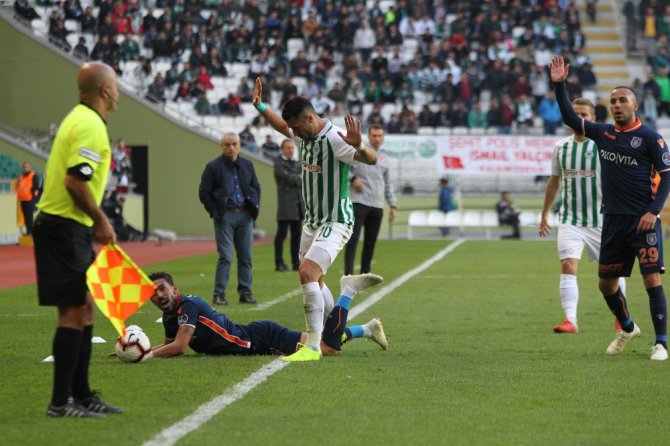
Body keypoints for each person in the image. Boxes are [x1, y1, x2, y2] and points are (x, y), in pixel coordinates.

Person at [550, 56, 670, 360]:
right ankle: (628, 327)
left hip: (644, 221)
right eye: (613, 101)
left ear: (635, 106)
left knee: (651, 279)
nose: (617, 105)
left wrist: (653, 211)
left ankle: (661, 344)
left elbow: (667, 176)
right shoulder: (604, 133)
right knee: (605, 284)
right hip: (613, 221)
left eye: (622, 100)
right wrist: (560, 85)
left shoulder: (650, 138)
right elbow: (569, 117)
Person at [251, 77, 378, 362]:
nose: (292, 132)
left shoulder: (335, 139)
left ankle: (311, 347)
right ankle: (348, 301)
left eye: (297, 126)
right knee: (317, 283)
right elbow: (282, 125)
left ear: (310, 118)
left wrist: (359, 147)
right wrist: (260, 106)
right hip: (312, 223)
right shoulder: (302, 133)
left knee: (307, 272)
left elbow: (372, 159)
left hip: (336, 220)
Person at [33, 62, 123, 418]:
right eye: (115, 85)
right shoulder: (88, 124)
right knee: (72, 311)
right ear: (105, 90)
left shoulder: (81, 119)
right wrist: (101, 220)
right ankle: (60, 403)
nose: (118, 92)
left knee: (85, 306)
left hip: (71, 227)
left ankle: (82, 395)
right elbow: (75, 181)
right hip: (63, 226)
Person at [139, 271, 387, 360]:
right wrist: (140, 349)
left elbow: (180, 347)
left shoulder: (189, 306)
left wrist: (144, 356)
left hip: (261, 337)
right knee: (324, 344)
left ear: (175, 290)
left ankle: (348, 290)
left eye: (163, 288)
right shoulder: (173, 317)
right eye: (153, 292)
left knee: (326, 349)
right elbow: (171, 345)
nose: (159, 294)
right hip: (256, 340)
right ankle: (367, 329)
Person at [539, 97, 626, 334]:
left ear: (593, 119)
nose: (580, 119)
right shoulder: (561, 147)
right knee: (568, 264)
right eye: (576, 114)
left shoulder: (604, 145)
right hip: (571, 220)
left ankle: (621, 317)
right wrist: (544, 213)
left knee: (614, 271)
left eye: (585, 115)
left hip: (602, 220)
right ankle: (570, 320)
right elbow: (554, 181)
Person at [198, 133, 261, 306]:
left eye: (234, 144)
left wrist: (254, 206)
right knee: (226, 256)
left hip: (245, 215)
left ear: (240, 145)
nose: (231, 148)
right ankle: (219, 294)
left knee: (246, 257)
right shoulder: (213, 167)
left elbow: (256, 187)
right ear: (221, 146)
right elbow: (204, 192)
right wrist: (216, 211)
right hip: (225, 216)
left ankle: (245, 293)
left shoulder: (247, 165)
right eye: (227, 144)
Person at [343, 124, 397, 276]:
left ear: (383, 137)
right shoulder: (358, 151)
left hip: (377, 204)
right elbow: (342, 169)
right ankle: (348, 275)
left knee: (370, 242)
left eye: (380, 136)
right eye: (374, 135)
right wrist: (353, 179)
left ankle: (365, 273)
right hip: (358, 202)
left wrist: (393, 205)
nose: (377, 138)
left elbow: (388, 183)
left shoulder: (385, 157)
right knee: (352, 240)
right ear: (368, 136)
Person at [273, 139, 304, 272]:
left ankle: (295, 262)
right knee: (282, 235)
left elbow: (300, 179)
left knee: (297, 236)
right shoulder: (279, 163)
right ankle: (279, 263)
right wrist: (298, 178)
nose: (290, 150)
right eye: (287, 148)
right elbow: (291, 178)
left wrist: (297, 178)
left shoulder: (297, 163)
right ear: (282, 149)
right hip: (286, 205)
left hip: (298, 205)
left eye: (292, 148)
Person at [16, 161, 41, 235]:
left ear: (30, 167)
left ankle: (31, 231)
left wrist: (31, 191)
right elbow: (19, 185)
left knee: (29, 216)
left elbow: (36, 186)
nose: (25, 168)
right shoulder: (21, 176)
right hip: (22, 198)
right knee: (25, 216)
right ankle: (28, 231)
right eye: (24, 167)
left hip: (30, 198)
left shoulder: (33, 175)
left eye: (27, 167)